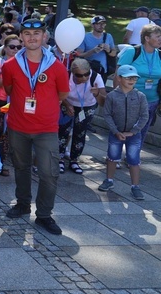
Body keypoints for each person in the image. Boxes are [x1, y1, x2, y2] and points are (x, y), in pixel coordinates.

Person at [2, 18, 70, 235]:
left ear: (44, 37)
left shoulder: (56, 66)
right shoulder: (10, 65)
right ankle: (22, 203)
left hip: (46, 128)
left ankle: (44, 215)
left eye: (37, 34)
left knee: (49, 173)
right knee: (20, 168)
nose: (32, 38)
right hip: (18, 126)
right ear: (21, 37)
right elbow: (10, 89)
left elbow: (62, 94)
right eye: (28, 34)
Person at [98, 65, 149, 200]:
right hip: (116, 133)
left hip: (134, 135)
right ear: (119, 78)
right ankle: (109, 180)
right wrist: (115, 131)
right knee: (112, 156)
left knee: (134, 160)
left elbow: (144, 116)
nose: (131, 80)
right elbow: (107, 114)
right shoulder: (112, 96)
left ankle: (135, 186)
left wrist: (133, 131)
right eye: (128, 78)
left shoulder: (140, 96)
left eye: (134, 78)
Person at [116, 23, 161, 146]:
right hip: (129, 98)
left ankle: (133, 157)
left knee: (141, 131)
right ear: (146, 38)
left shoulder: (160, 55)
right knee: (124, 129)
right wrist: (117, 96)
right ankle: (115, 157)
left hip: (152, 101)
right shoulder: (132, 51)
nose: (160, 39)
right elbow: (118, 74)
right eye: (157, 36)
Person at [59, 58, 106, 175]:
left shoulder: (96, 77)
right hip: (68, 104)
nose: (84, 78)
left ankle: (74, 160)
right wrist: (67, 105)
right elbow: (58, 93)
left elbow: (103, 102)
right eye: (80, 75)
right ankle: (59, 158)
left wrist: (97, 94)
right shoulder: (66, 75)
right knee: (62, 132)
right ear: (73, 73)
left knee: (80, 133)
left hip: (86, 107)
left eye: (86, 74)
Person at [0, 34, 21, 175]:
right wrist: (9, 77)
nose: (15, 49)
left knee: (7, 136)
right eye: (12, 47)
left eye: (19, 47)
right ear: (5, 48)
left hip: (14, 104)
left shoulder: (22, 63)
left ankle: (1, 165)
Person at [76, 15, 116, 79]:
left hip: (103, 71)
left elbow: (114, 54)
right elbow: (79, 55)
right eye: (98, 24)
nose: (101, 26)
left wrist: (108, 50)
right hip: (88, 70)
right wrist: (93, 51)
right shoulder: (85, 37)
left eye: (103, 24)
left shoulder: (108, 36)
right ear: (92, 25)